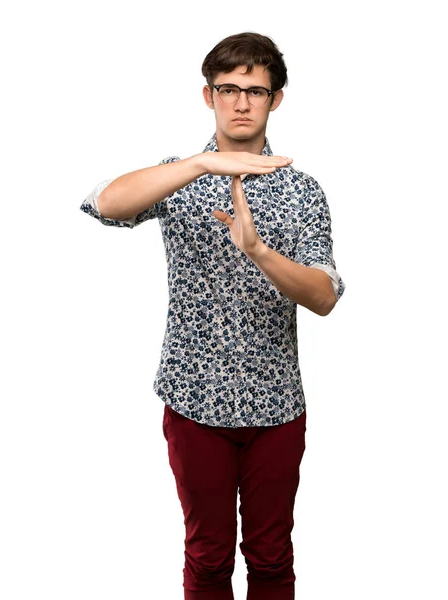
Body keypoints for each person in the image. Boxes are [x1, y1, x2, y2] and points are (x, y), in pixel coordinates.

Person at [80, 31, 345, 600]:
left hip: (275, 405)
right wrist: (201, 163)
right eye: (229, 89)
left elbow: (324, 295)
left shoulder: (301, 190)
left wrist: (260, 252)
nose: (242, 102)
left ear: (276, 99)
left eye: (256, 90)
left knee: (272, 557)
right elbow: (103, 203)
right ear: (209, 96)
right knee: (207, 556)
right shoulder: (181, 176)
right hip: (194, 398)